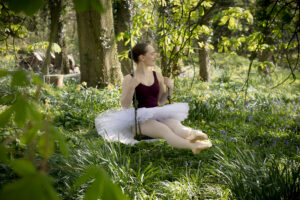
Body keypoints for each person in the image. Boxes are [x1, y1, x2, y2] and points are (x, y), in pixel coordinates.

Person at [95, 43, 212, 154]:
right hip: (139, 119)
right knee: (164, 130)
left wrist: (170, 89)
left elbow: (161, 101)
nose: (154, 56)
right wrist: (131, 87)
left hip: (157, 113)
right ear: (142, 58)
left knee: (176, 126)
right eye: (151, 53)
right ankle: (193, 146)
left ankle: (196, 135)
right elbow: (125, 104)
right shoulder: (129, 78)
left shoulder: (157, 75)